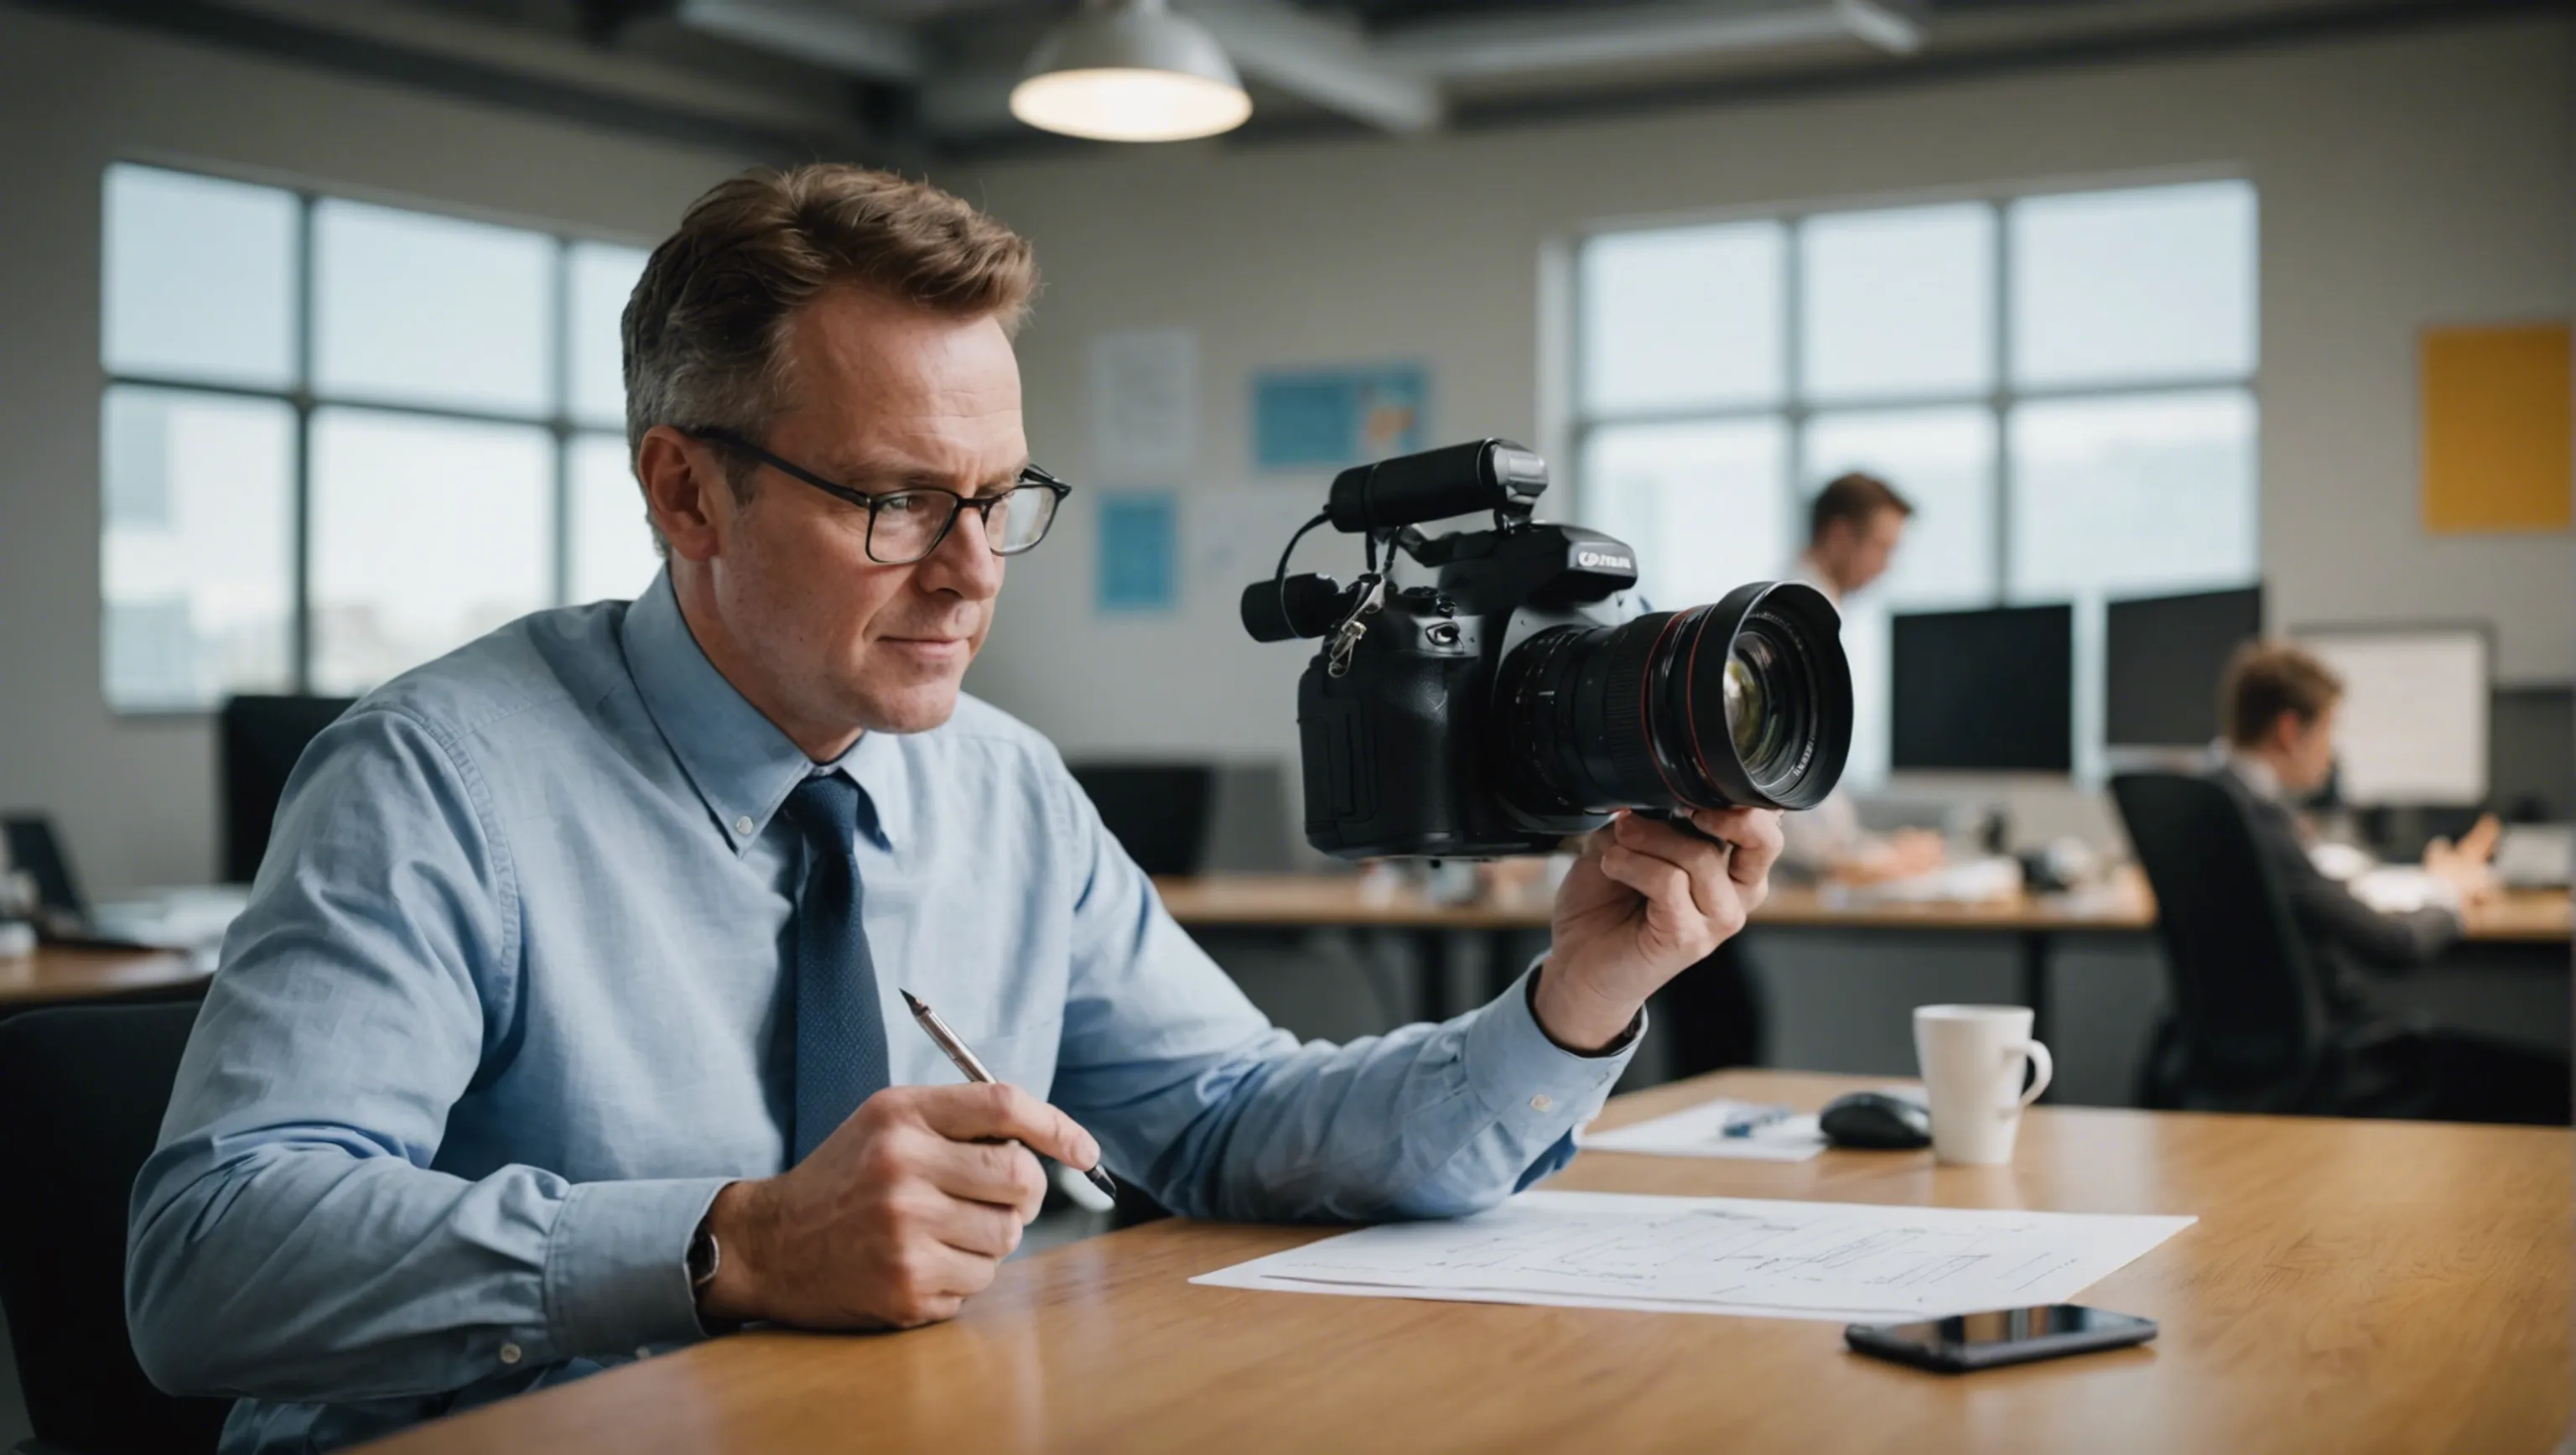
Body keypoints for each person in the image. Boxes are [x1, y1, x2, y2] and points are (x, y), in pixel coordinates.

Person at [124, 165, 1786, 1453]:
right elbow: (205, 1266)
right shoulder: (433, 779)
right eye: (900, 501)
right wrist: (733, 1245)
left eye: (999, 500)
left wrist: (1579, 997)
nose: (974, 574)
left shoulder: (997, 784)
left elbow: (1223, 1123)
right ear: (683, 487)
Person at [2205, 640, 2567, 1124]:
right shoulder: (2262, 824)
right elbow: (2393, 945)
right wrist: (2453, 896)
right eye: (2331, 730)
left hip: (2243, 1060)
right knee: (2553, 1085)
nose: (2333, 753)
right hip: (2329, 1060)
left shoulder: (2216, 806)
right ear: (2291, 730)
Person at [1778, 471, 1944, 885]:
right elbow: (1783, 779)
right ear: (1839, 535)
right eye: (1882, 548)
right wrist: (1867, 859)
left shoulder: (1809, 612)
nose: (1887, 567)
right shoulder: (1795, 623)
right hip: (1786, 882)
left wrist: (1868, 848)